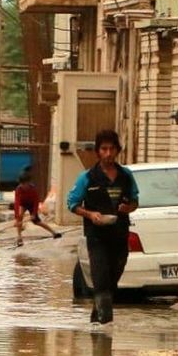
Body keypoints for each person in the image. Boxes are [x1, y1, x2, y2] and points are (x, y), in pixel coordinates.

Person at [66, 129, 139, 324]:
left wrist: (128, 208)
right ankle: (105, 333)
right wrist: (90, 214)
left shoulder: (126, 176)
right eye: (104, 149)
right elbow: (72, 204)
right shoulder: (87, 178)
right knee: (101, 282)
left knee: (111, 283)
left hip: (119, 236)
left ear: (117, 151)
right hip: (97, 238)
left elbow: (135, 201)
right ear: (98, 152)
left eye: (111, 149)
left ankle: (96, 325)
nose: (108, 153)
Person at [12, 167, 62, 247]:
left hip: (32, 204)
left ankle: (53, 232)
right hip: (23, 204)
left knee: (37, 221)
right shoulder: (19, 189)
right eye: (21, 184)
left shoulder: (33, 189)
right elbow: (17, 203)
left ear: (28, 182)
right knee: (19, 218)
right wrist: (16, 217)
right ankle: (19, 237)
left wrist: (34, 214)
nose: (23, 186)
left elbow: (36, 202)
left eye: (24, 184)